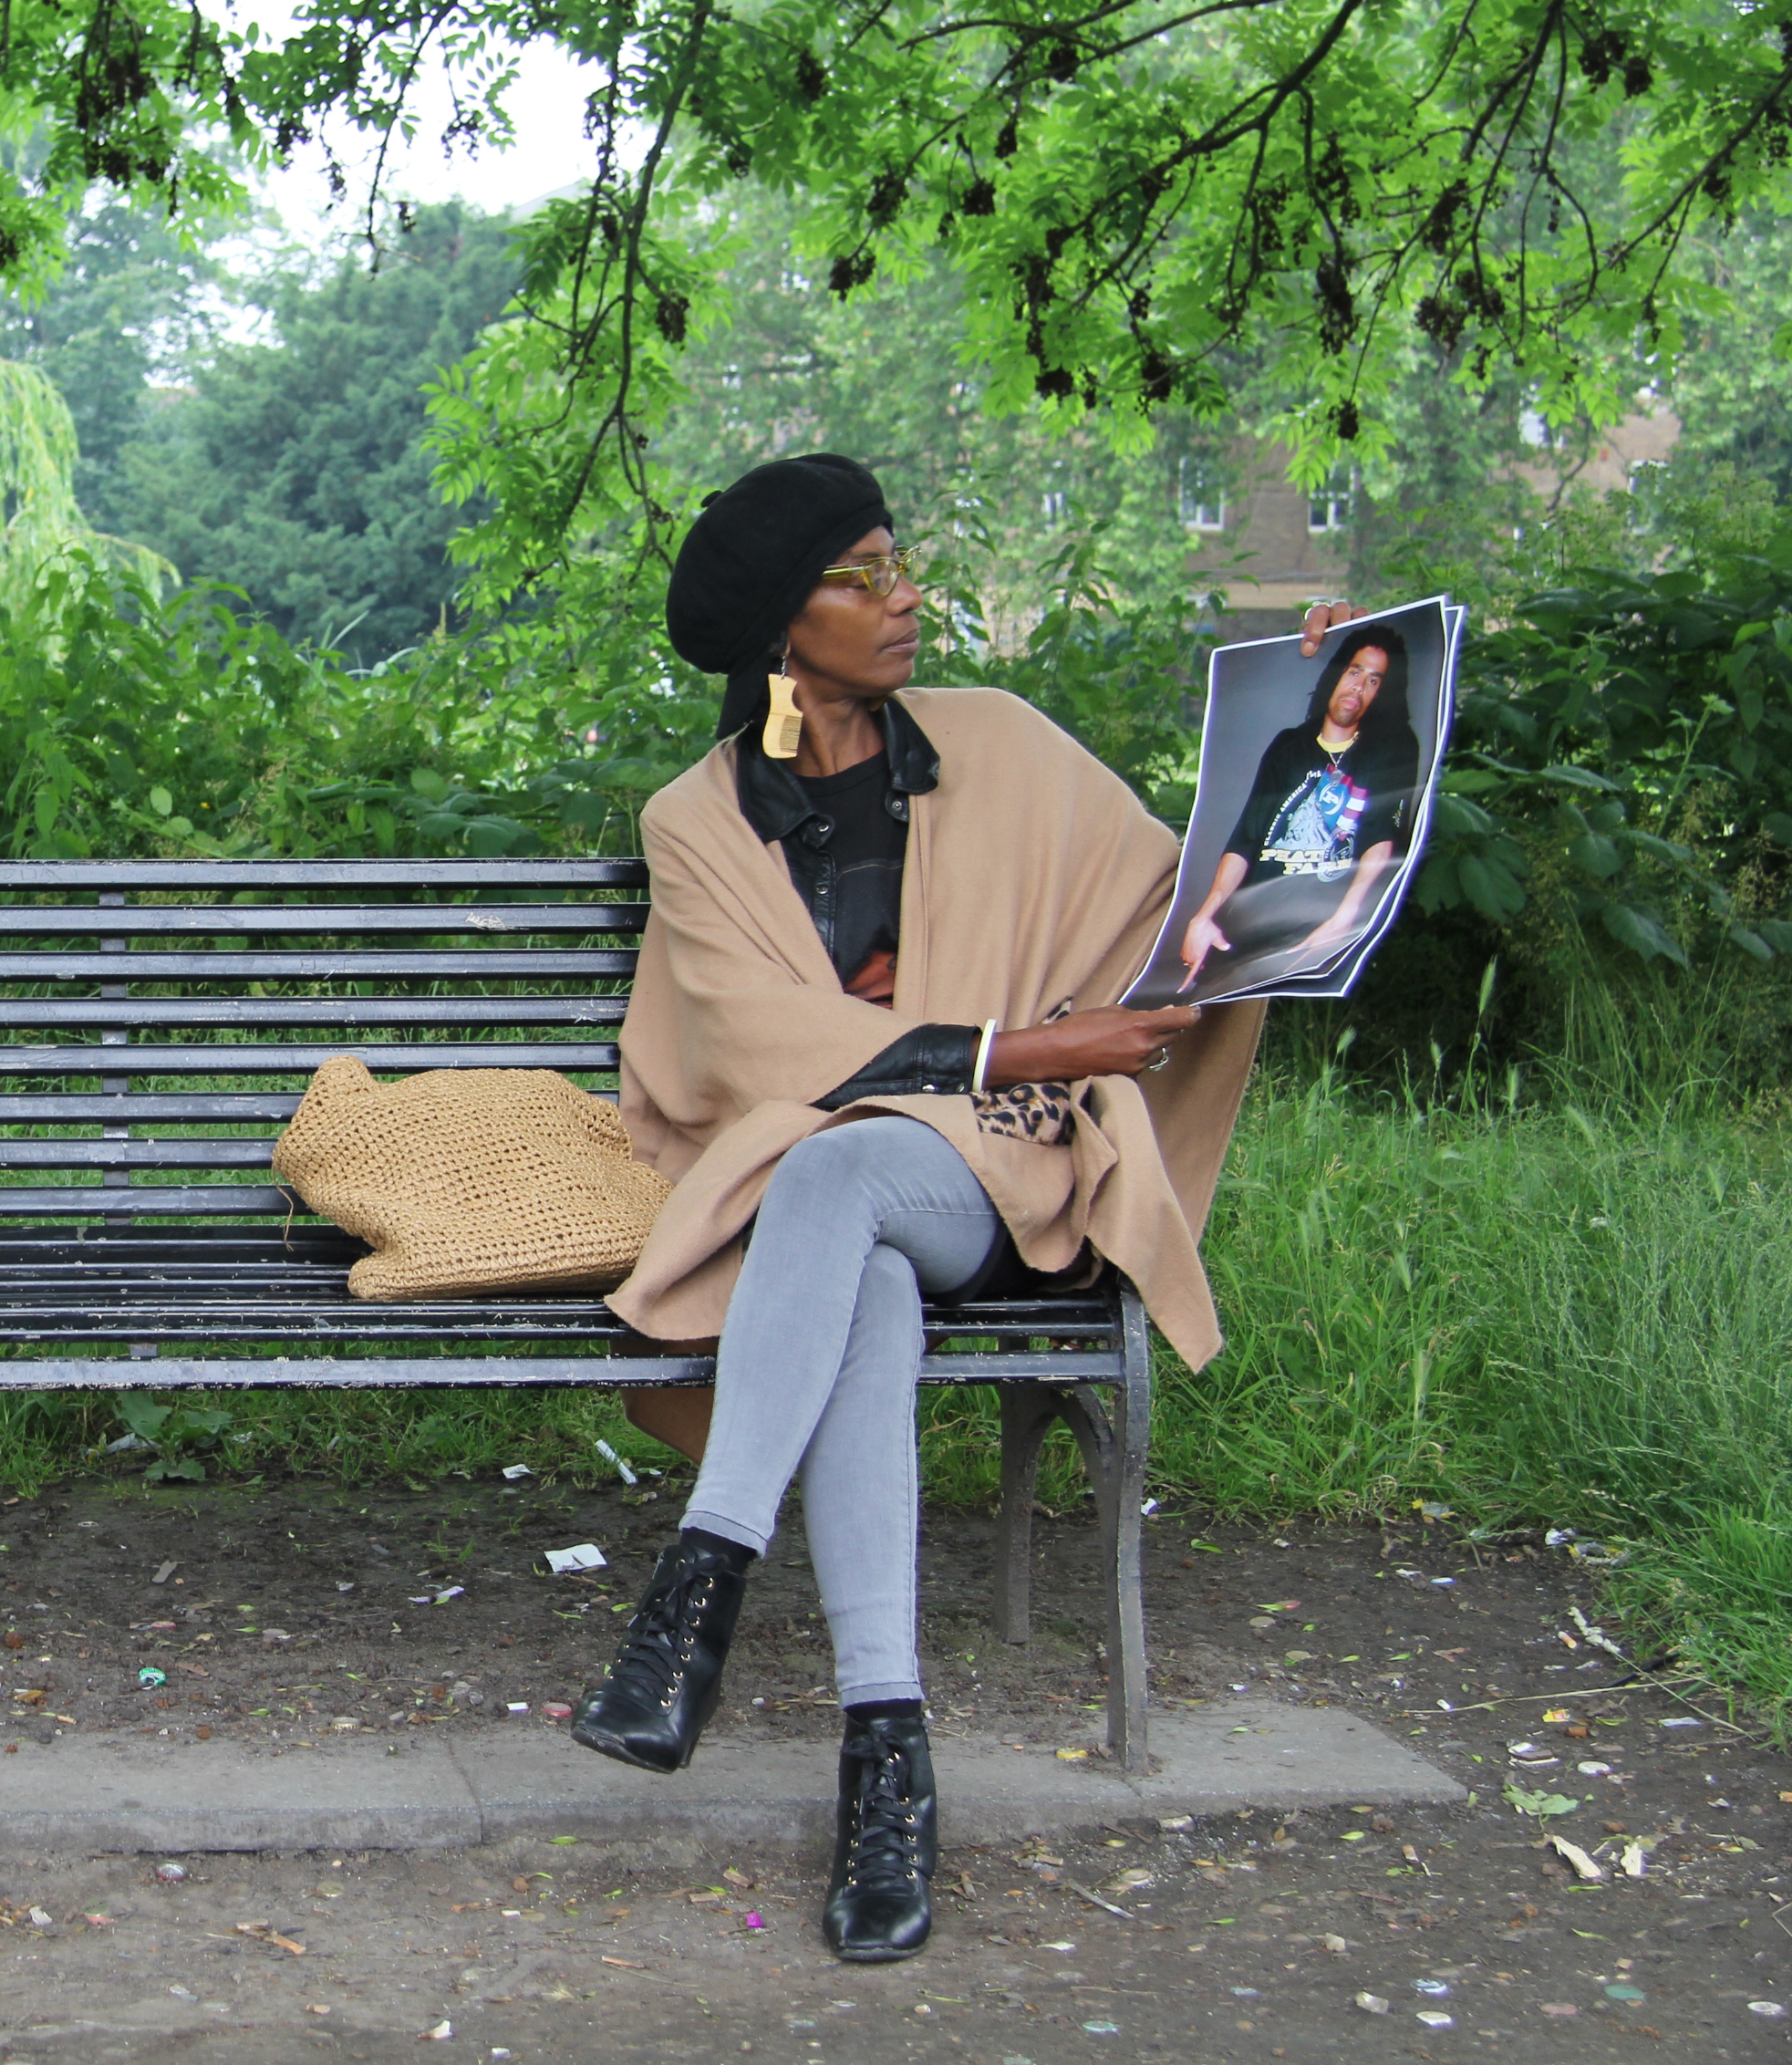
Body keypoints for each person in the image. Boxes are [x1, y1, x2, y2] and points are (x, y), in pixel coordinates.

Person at [575, 453, 1320, 1963]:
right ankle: (886, 1759)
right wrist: (1017, 1036)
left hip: (1005, 1171)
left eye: (895, 561)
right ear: (783, 629)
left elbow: (1202, 914)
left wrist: (1288, 752)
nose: (900, 593)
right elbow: (749, 1041)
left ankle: (695, 1592)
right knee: (854, 1248)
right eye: (857, 575)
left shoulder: (1001, 742)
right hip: (830, 1214)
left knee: (839, 1167)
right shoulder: (699, 819)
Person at [1169, 628, 1422, 997]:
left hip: (1317, 928)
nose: (1359, 687)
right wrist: (1205, 916)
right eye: (1354, 672)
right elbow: (1246, 838)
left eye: (1373, 680)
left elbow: (1382, 839)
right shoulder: (1288, 746)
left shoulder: (1389, 749)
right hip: (1249, 924)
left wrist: (1344, 921)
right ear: (1336, 674)